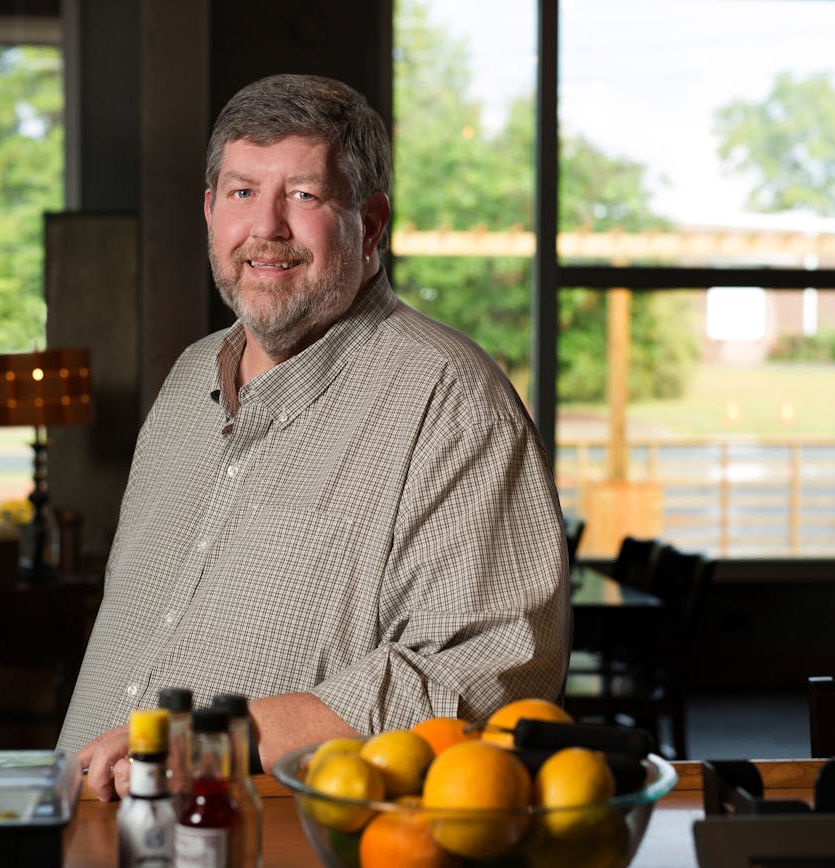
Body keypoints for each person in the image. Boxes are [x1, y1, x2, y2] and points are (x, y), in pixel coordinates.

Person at [59, 73, 570, 800]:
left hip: (262, 859)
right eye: (241, 192)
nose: (266, 226)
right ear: (209, 211)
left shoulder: (450, 402)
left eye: (304, 194)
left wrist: (215, 742)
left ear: (373, 221)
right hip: (89, 834)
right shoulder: (186, 382)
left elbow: (483, 674)